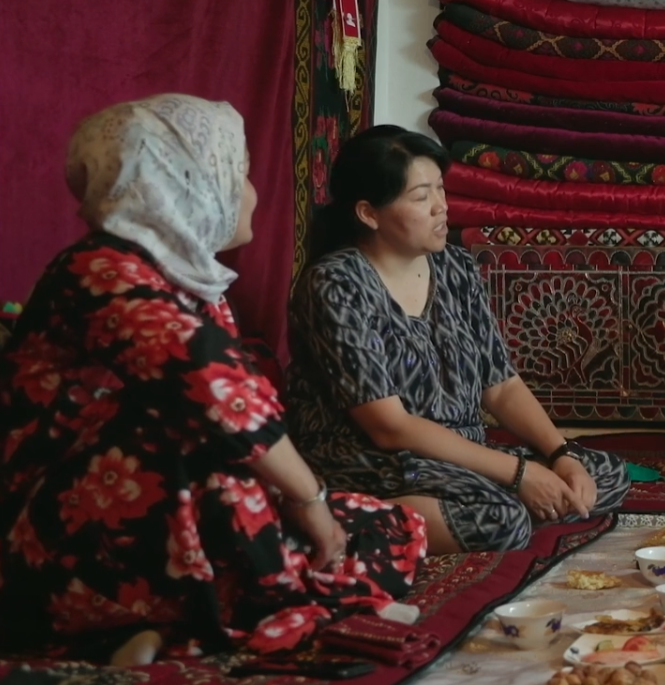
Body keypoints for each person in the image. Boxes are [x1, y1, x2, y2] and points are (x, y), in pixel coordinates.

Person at [0, 95, 427, 662]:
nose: (251, 193)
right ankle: (192, 610)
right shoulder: (100, 269)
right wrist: (309, 500)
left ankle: (169, 622)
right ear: (186, 185)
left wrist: (308, 506)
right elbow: (220, 396)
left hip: (173, 513)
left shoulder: (185, 279)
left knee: (388, 526)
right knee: (213, 460)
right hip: (71, 520)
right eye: (239, 175)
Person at [286, 126, 629, 554]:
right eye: (420, 197)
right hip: (375, 459)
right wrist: (520, 474)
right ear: (369, 213)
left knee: (603, 473)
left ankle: (516, 508)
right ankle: (344, 514)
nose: (441, 207)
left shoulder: (453, 266)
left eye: (440, 190)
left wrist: (560, 454)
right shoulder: (336, 284)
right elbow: (390, 427)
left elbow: (501, 386)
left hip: (460, 454)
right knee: (501, 520)